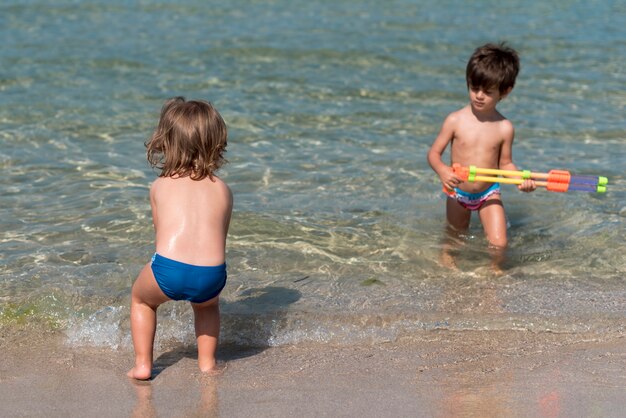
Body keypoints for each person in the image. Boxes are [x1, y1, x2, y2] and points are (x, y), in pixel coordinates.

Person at [127, 97, 233, 380]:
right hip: (212, 275)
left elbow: (160, 234)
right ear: (216, 142)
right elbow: (219, 236)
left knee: (141, 300)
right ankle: (207, 364)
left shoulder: (160, 185)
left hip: (169, 269)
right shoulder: (223, 189)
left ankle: (142, 366)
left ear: (166, 142)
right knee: (208, 306)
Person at [427, 43, 535, 265]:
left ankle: (494, 274)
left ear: (505, 91)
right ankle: (447, 272)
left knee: (499, 243)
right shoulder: (455, 120)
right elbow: (434, 154)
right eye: (474, 88)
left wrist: (521, 180)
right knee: (454, 240)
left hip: (489, 191)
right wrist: (443, 171)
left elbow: (505, 165)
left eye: (488, 91)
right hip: (458, 192)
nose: (479, 95)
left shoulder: (504, 127)